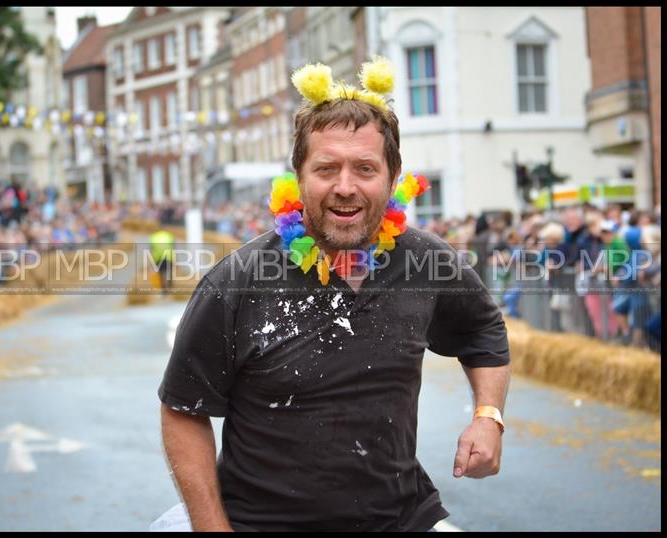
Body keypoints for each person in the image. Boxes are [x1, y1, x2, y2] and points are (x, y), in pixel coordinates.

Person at [156, 58, 510, 532]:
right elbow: (183, 409)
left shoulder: (428, 262)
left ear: (393, 175)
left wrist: (488, 416)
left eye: (365, 168)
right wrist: (212, 528)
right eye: (326, 168)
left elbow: (482, 332)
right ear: (299, 178)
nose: (345, 187)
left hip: (400, 519)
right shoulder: (238, 280)